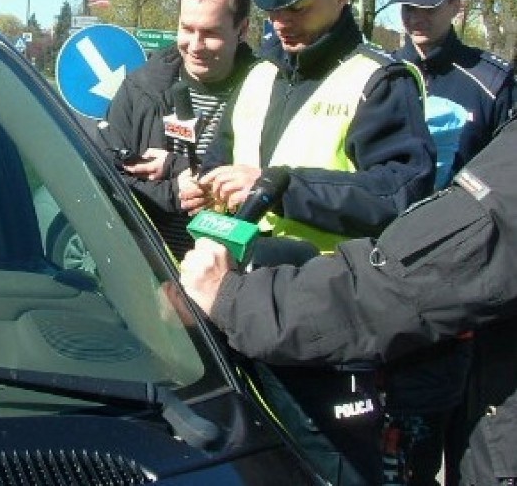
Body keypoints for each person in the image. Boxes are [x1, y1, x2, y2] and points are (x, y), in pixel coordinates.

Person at [178, 0, 436, 485]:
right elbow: (226, 167)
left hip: (326, 331)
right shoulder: (260, 75)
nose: (281, 22)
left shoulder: (379, 81)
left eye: (296, 7)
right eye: (272, 8)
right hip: (239, 311)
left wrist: (281, 186)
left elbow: (403, 195)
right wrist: (200, 187)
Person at [178, 110, 517, 486]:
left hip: (343, 340)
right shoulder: (258, 78)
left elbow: (416, 259)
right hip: (287, 325)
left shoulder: (378, 80)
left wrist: (238, 299)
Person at [381, 0, 515, 485]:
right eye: (408, 8)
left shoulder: (490, 81)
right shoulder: (380, 72)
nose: (416, 18)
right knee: (401, 445)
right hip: (394, 270)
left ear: (456, 7)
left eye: (429, 9)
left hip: (468, 281)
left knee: (466, 434)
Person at [99, 0, 257, 260]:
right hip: (153, 267)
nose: (195, 46)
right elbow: (106, 176)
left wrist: (185, 171)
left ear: (242, 29)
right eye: (187, 29)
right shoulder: (140, 89)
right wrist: (174, 192)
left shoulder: (266, 92)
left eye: (210, 33)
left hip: (236, 276)